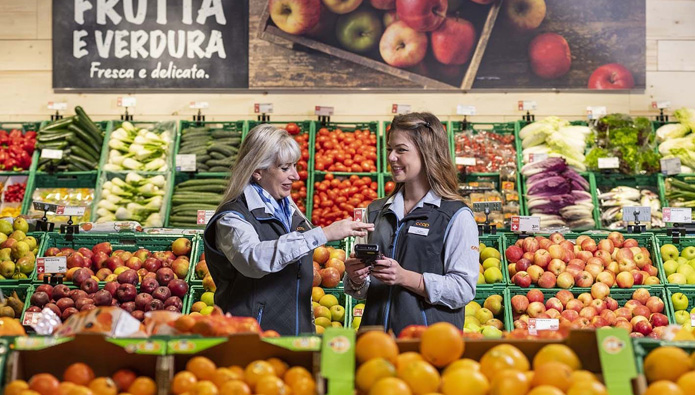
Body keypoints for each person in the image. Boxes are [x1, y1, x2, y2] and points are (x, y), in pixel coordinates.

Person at [203, 124, 373, 336]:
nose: (296, 176)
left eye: (294, 166)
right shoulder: (232, 218)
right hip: (251, 337)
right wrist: (324, 233)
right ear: (257, 171)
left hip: (294, 333)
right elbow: (253, 259)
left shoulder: (286, 206)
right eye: (285, 168)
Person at [344, 112, 479, 335]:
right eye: (390, 149)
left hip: (428, 345)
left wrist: (407, 278)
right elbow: (363, 291)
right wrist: (356, 278)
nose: (391, 157)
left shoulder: (455, 215)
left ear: (427, 153)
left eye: (401, 150)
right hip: (375, 342)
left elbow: (463, 289)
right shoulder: (376, 211)